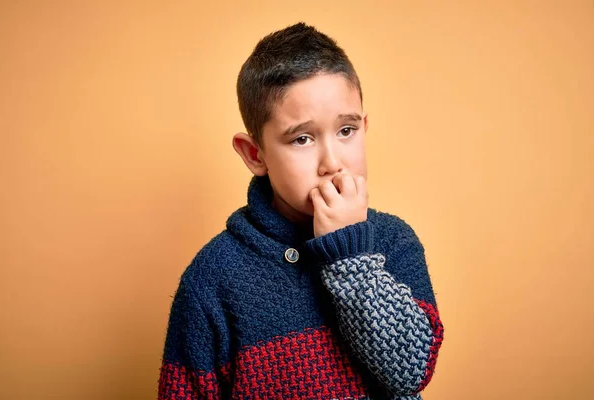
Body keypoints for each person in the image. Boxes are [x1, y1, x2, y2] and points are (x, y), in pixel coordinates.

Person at [157, 22, 444, 400]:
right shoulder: (213, 278)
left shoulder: (392, 241)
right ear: (255, 154)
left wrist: (350, 254)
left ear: (365, 128)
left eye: (346, 131)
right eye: (302, 139)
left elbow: (411, 371)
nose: (332, 163)